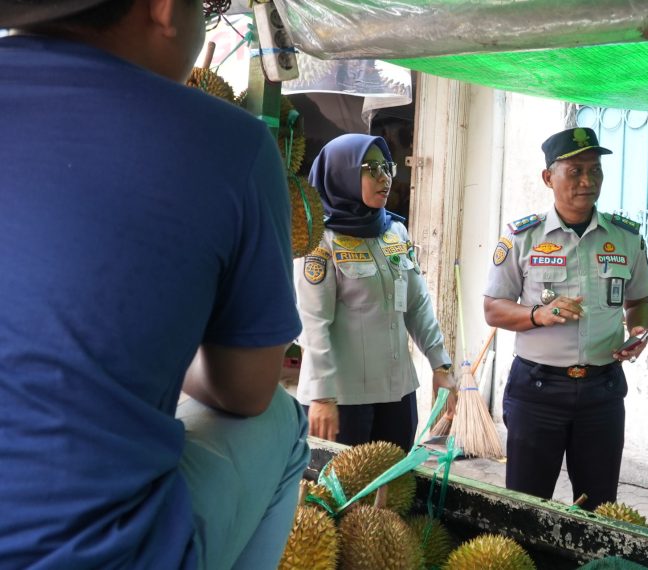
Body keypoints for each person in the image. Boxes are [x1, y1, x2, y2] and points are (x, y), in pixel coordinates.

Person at [0, 0, 310, 568]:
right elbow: (248, 390)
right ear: (164, 8)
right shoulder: (231, 144)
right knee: (283, 417)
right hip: (102, 554)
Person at [483, 127, 648, 510]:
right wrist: (538, 314)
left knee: (598, 508)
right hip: (538, 390)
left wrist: (639, 328)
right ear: (549, 177)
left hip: (602, 391)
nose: (587, 181)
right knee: (527, 505)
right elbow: (493, 308)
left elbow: (639, 300)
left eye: (595, 170)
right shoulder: (521, 238)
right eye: (575, 171)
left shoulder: (625, 238)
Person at [295, 133, 454, 451]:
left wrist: (441, 365)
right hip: (342, 400)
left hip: (398, 395)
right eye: (370, 168)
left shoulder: (394, 232)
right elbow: (312, 325)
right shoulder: (321, 241)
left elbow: (417, 304)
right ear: (341, 175)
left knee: (394, 490)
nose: (384, 178)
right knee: (340, 495)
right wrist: (322, 395)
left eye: (386, 167)